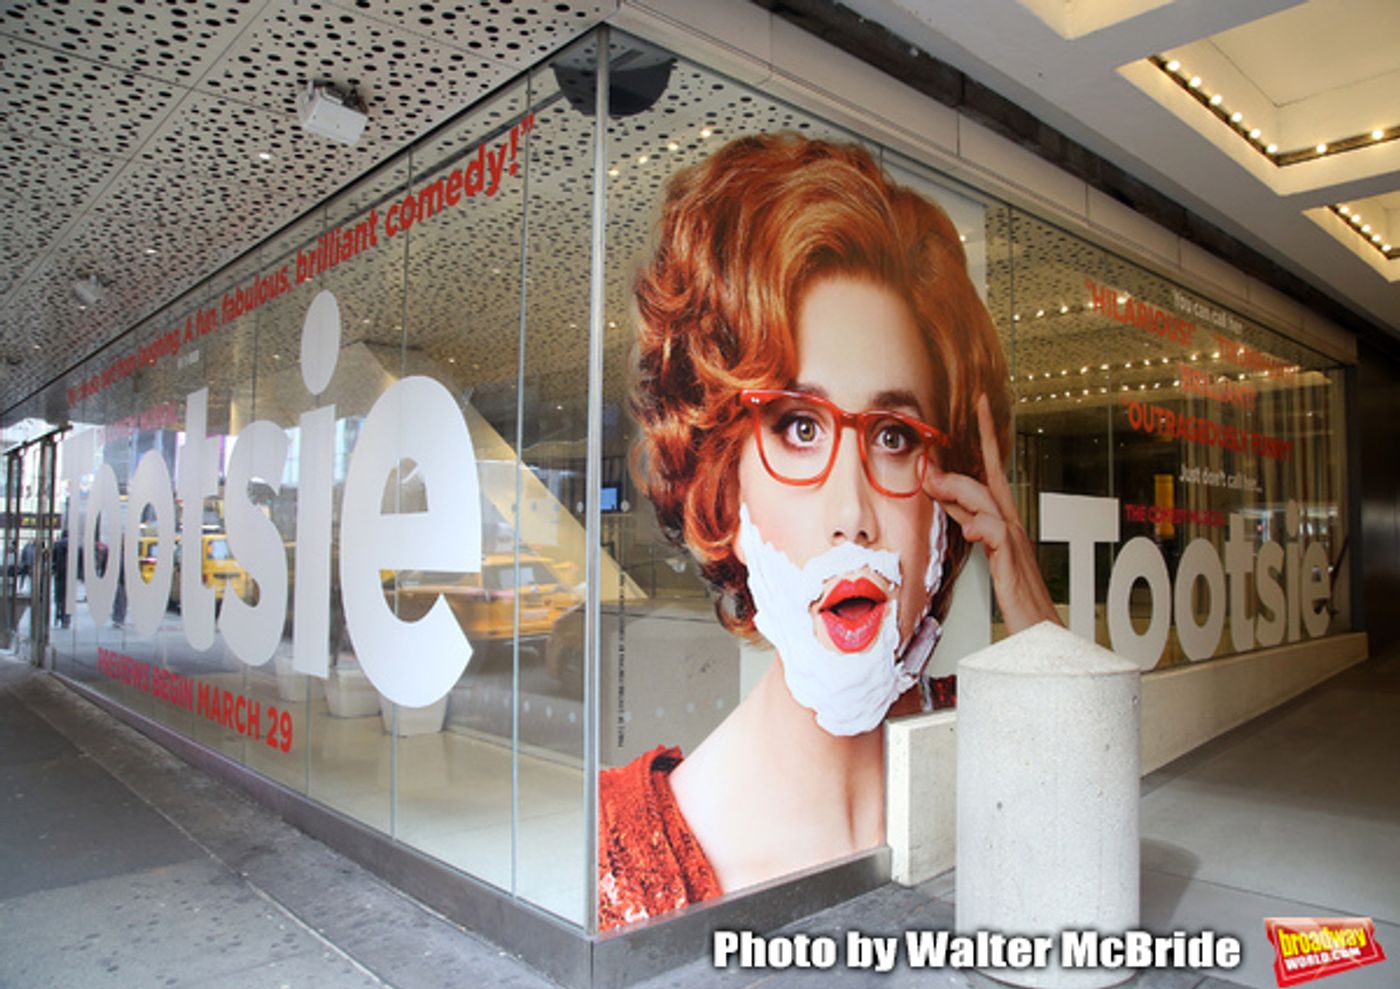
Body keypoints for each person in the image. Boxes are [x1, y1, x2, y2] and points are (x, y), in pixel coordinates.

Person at [597, 133, 1060, 930]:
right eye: (800, 427)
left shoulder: (990, 739)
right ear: (721, 483)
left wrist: (1028, 604)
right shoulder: (618, 853)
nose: (852, 511)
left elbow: (1088, 854)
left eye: (893, 436)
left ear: (944, 512)